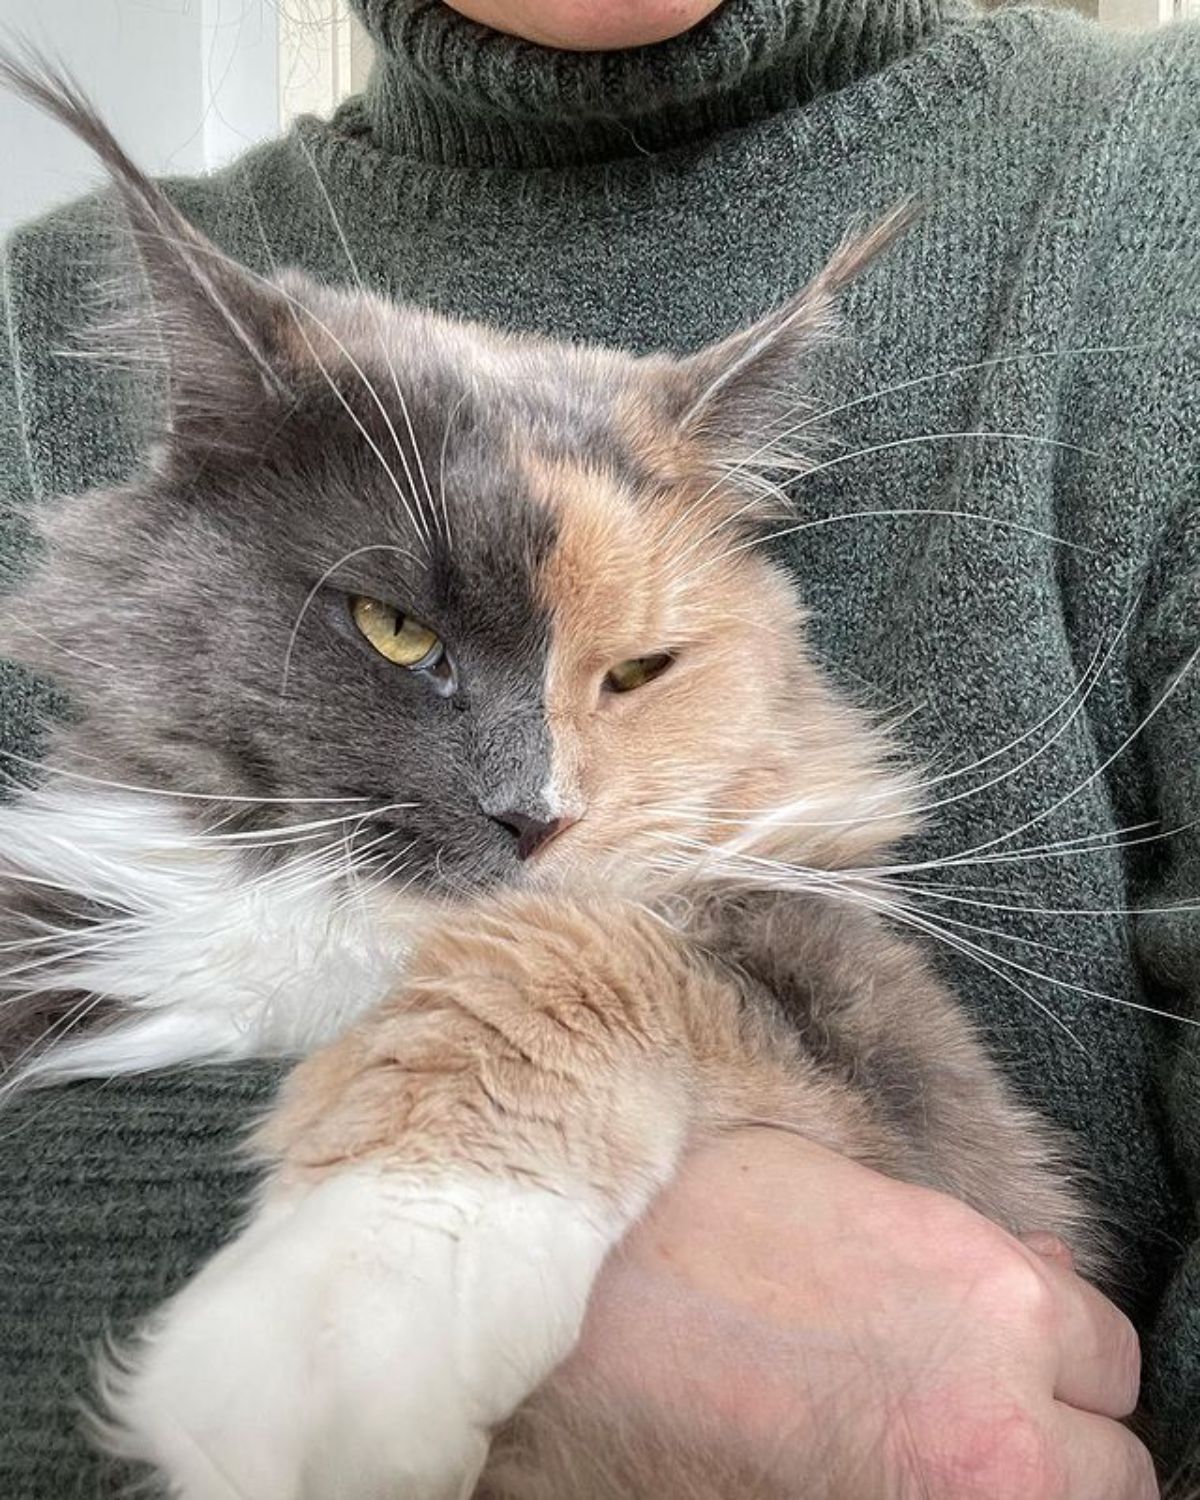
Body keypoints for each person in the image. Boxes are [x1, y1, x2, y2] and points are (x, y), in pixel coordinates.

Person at [0, 1, 1195, 1495]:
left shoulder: (1161, 183)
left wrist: (554, 1039)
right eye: (400, 634)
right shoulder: (25, 323)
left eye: (632, 671)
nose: (543, 800)